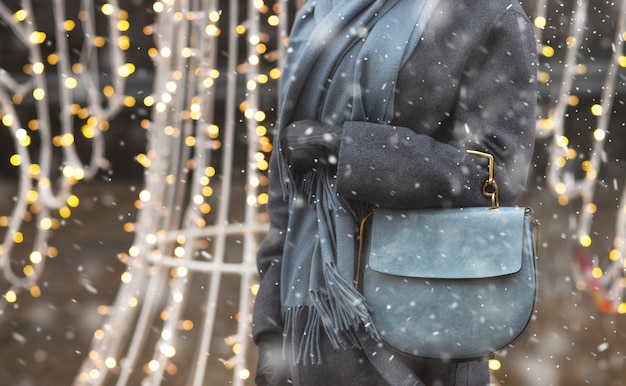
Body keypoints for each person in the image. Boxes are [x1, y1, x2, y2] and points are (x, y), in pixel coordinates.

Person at [253, 0, 537, 385]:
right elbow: (290, 194)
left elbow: (496, 173)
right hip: (310, 327)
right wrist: (270, 330)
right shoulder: (321, 11)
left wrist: (348, 150)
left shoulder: (487, 13)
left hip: (424, 316)